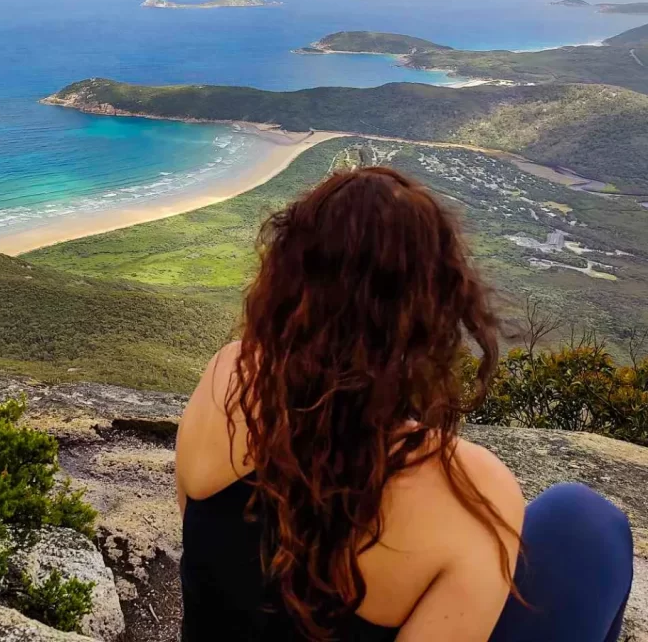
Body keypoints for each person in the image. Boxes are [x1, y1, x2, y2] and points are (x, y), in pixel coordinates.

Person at [176, 167, 633, 641]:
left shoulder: (228, 376)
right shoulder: (471, 490)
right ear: (435, 315)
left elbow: (211, 560)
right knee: (587, 525)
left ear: (285, 281)